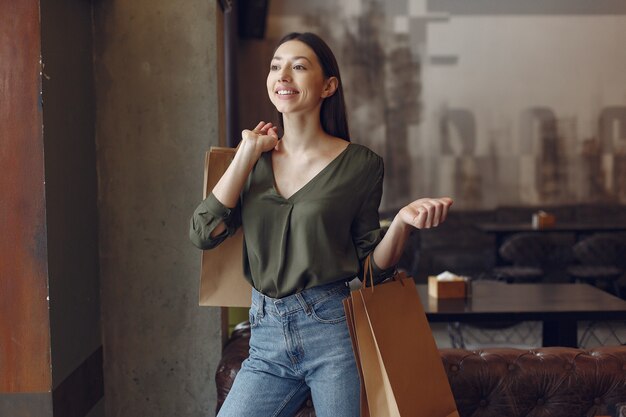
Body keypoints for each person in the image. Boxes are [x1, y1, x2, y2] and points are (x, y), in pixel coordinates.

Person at [189, 32, 452, 417]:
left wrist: (400, 224)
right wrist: (245, 154)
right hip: (265, 337)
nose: (283, 75)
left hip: (331, 331)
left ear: (329, 86)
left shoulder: (361, 165)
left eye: (298, 66)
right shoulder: (251, 161)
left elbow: (371, 269)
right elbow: (202, 234)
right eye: (276, 65)